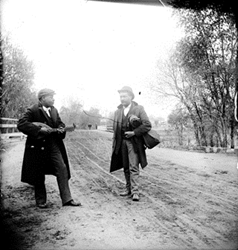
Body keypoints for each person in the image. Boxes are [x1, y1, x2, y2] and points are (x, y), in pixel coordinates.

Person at [17, 88, 81, 208]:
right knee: (38, 171)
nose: (53, 99)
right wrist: (39, 130)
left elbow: (60, 124)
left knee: (62, 168)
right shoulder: (33, 110)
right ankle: (41, 201)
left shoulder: (54, 110)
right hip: (38, 146)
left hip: (53, 144)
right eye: (50, 96)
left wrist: (62, 128)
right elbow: (21, 124)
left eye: (53, 96)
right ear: (42, 99)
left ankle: (67, 199)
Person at [110, 86, 151, 201]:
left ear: (131, 97)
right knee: (126, 167)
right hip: (121, 143)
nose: (122, 99)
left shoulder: (139, 109)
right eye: (120, 96)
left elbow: (147, 125)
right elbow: (115, 129)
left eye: (124, 96)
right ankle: (128, 189)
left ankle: (135, 192)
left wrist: (134, 133)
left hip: (133, 142)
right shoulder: (117, 112)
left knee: (133, 166)